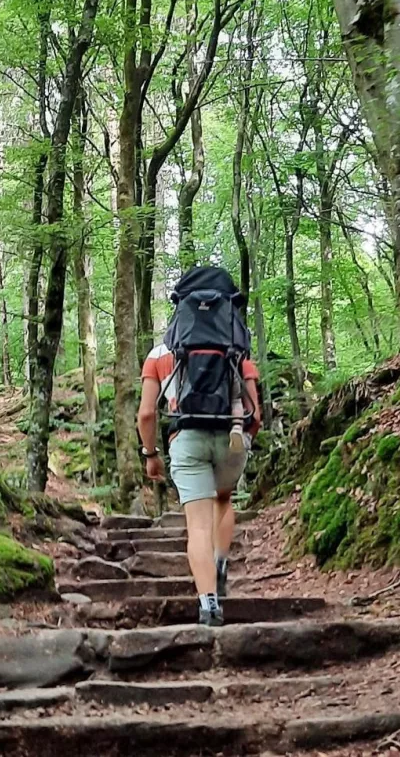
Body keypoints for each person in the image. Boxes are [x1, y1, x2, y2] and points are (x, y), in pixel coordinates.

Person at [135, 265, 261, 626]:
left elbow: (147, 414)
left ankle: (208, 605)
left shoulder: (160, 353)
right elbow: (255, 411)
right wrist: (245, 439)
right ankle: (220, 562)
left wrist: (151, 455)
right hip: (231, 437)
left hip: (186, 439)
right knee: (223, 499)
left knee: (198, 526)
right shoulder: (236, 347)